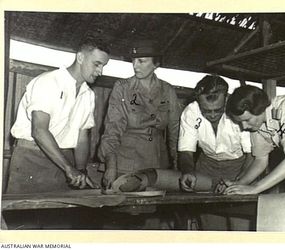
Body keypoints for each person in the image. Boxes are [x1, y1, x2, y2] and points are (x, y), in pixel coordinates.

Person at [6, 38, 110, 194]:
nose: (100, 71)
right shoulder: (48, 82)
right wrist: (69, 167)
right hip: (31, 159)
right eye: (96, 64)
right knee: (24, 216)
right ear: (80, 57)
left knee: (58, 216)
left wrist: (81, 170)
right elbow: (39, 130)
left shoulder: (88, 95)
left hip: (64, 162)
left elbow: (82, 137)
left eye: (103, 66)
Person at [224, 85, 285, 232]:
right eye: (239, 122)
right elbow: (260, 161)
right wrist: (238, 185)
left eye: (247, 119)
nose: (244, 126)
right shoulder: (257, 125)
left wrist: (254, 188)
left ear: (259, 109)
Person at [98, 40, 181, 190]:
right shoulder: (122, 88)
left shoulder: (168, 91)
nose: (135, 66)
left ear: (156, 64)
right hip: (125, 164)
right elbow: (112, 130)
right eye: (133, 60)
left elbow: (175, 133)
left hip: (157, 166)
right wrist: (111, 167)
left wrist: (176, 166)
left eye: (141, 61)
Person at [178, 75, 254, 230]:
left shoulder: (240, 110)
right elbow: (186, 151)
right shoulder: (190, 112)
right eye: (206, 111)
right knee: (211, 227)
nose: (212, 115)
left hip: (240, 165)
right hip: (207, 166)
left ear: (226, 99)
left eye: (218, 110)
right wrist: (188, 171)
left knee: (240, 228)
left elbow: (252, 155)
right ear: (199, 102)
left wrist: (239, 182)